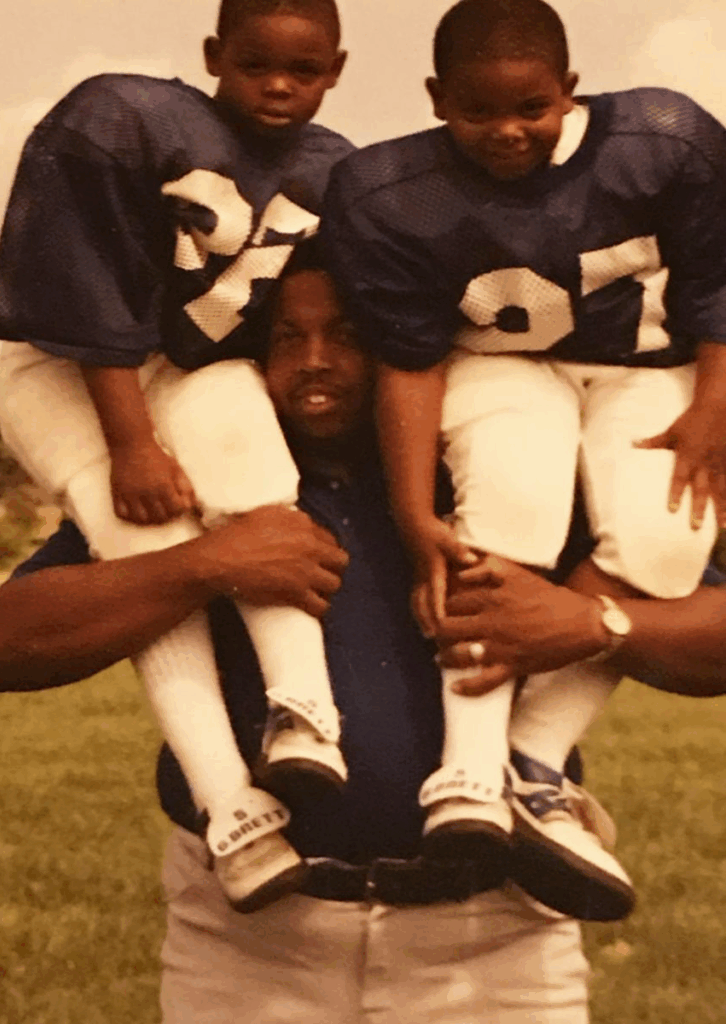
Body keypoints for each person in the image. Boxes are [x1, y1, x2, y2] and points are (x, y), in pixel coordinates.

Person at [0, 252, 726, 1023]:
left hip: (489, 940)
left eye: (347, 335)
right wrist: (204, 565)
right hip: (255, 941)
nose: (315, 362)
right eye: (287, 339)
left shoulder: (495, 463)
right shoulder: (210, 470)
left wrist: (599, 624)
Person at [321, 0, 726, 920]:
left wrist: (714, 408)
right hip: (500, 366)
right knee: (514, 499)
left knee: (666, 545)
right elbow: (411, 359)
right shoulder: (390, 191)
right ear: (435, 100)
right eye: (478, 113)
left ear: (570, 92)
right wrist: (414, 515)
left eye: (532, 110)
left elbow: (718, 280)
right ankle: (465, 774)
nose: (507, 132)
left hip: (643, 367)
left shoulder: (665, 138)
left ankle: (531, 762)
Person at [0, 0, 353, 912]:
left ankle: (305, 713)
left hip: (194, 363)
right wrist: (132, 444)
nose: (277, 87)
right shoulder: (124, 118)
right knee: (140, 537)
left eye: (300, 72)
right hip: (68, 375)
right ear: (213, 55)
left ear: (336, 70)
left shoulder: (331, 164)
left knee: (250, 456)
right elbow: (89, 301)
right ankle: (227, 804)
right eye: (256, 64)